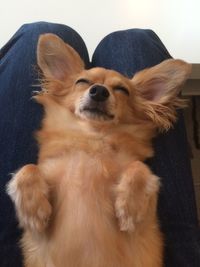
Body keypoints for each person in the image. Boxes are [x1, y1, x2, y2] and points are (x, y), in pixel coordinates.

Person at [0, 21, 199, 267]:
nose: (99, 90)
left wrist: (137, 175)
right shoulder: (48, 166)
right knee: (135, 42)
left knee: (40, 32)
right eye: (83, 83)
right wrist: (27, 178)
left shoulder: (131, 169)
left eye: (120, 90)